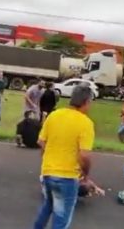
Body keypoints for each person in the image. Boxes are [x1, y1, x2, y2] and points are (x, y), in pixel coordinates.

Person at [34, 85, 95, 229]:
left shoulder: (54, 115)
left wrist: (49, 158)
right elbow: (84, 156)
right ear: (86, 102)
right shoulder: (85, 123)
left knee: (47, 207)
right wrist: (85, 175)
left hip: (47, 173)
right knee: (61, 220)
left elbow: (41, 142)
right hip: (67, 178)